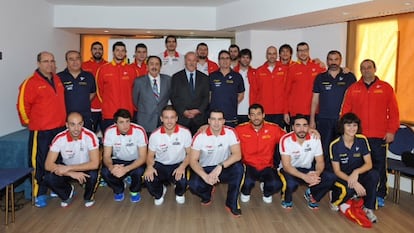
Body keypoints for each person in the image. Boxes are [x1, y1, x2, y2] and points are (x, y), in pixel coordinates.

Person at [341, 59, 399, 207]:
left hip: (378, 136)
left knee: (378, 166)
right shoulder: (353, 88)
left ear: (374, 69)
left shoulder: (386, 88)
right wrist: (346, 132)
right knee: (358, 166)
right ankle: (359, 192)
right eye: (363, 68)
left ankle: (380, 194)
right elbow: (345, 113)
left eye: (369, 67)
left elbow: (394, 113)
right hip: (358, 137)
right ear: (360, 70)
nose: (366, 70)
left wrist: (391, 131)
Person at [17, 51, 66, 208]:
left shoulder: (57, 79)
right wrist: (32, 123)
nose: (49, 64)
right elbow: (22, 106)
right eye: (46, 61)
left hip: (58, 129)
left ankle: (55, 187)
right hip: (41, 131)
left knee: (57, 161)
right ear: (38, 63)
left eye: (52, 61)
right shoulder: (30, 82)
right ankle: (39, 193)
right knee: (39, 163)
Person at [189, 109, 244, 217]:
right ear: (208, 121)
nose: (216, 123)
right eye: (213, 119)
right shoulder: (199, 136)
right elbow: (193, 160)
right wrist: (205, 177)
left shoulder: (231, 132)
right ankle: (207, 194)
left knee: (239, 168)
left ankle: (231, 203)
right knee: (193, 185)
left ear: (224, 121)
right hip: (205, 169)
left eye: (219, 119)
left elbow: (237, 155)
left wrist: (220, 166)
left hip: (223, 167)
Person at [310, 50, 356, 171]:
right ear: (327, 61)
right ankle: (325, 178)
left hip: (343, 121)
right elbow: (315, 101)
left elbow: (356, 98)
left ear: (340, 60)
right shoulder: (320, 77)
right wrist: (312, 120)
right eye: (331, 59)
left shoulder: (349, 76)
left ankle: (341, 179)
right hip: (324, 120)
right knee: (324, 150)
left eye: (336, 59)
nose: (333, 62)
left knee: (342, 151)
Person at [330, 113, 379, 223]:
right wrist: (353, 181)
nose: (352, 128)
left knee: (374, 174)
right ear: (342, 126)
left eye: (355, 125)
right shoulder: (335, 145)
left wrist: (356, 172)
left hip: (357, 174)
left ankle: (368, 208)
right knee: (348, 190)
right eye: (348, 125)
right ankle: (335, 198)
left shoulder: (362, 140)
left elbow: (369, 164)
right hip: (342, 176)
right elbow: (337, 171)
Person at [279, 115, 336, 209]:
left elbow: (320, 162)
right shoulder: (285, 139)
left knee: (330, 177)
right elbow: (286, 166)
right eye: (298, 125)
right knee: (291, 184)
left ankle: (312, 195)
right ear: (293, 127)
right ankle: (286, 199)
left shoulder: (315, 138)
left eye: (305, 125)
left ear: (308, 127)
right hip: (289, 170)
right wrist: (304, 177)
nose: (302, 129)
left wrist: (316, 173)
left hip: (308, 169)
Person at [44, 112, 100, 208]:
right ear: (67, 125)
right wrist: (70, 172)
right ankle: (67, 193)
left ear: (82, 124)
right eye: (72, 124)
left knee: (94, 175)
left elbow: (95, 164)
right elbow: (48, 165)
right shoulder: (59, 138)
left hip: (85, 167)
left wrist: (69, 168)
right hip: (67, 169)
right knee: (48, 177)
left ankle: (88, 197)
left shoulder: (90, 136)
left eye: (79, 124)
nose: (76, 128)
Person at [235, 104, 286, 205]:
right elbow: (226, 134)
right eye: (253, 115)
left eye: (258, 114)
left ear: (263, 115)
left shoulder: (274, 129)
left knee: (276, 184)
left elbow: (288, 138)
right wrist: (206, 126)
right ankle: (245, 192)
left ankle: (267, 191)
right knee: (246, 182)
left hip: (267, 166)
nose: (256, 117)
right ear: (249, 116)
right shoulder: (240, 129)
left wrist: (309, 130)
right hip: (248, 165)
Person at [144, 105, 192, 205]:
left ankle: (179, 193)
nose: (169, 121)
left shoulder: (185, 133)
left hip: (178, 164)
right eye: (166, 118)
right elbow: (150, 156)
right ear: (161, 119)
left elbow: (190, 153)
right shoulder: (154, 135)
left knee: (183, 181)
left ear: (176, 118)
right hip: (160, 164)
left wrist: (182, 167)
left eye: (172, 117)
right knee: (148, 178)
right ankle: (159, 192)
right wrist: (149, 167)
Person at [101, 109, 148, 203]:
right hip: (117, 160)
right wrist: (112, 167)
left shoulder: (139, 131)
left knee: (139, 172)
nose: (125, 125)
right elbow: (106, 156)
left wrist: (126, 169)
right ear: (115, 123)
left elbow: (143, 157)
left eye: (127, 121)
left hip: (135, 160)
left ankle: (134, 191)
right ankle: (119, 189)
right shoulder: (109, 131)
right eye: (121, 122)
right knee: (105, 172)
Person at [96, 41, 138, 133]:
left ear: (125, 53)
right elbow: (99, 90)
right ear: (113, 52)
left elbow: (135, 90)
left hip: (127, 113)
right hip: (109, 114)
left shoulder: (132, 70)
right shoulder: (103, 69)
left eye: (123, 50)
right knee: (109, 141)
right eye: (117, 50)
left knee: (127, 142)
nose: (120, 52)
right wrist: (106, 105)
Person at [284, 42, 326, 126]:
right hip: (297, 112)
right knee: (298, 138)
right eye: (300, 50)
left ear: (308, 51)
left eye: (305, 50)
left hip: (315, 111)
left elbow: (331, 73)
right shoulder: (291, 69)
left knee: (313, 137)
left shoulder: (318, 66)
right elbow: (286, 92)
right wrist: (285, 112)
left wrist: (344, 69)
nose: (303, 53)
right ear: (297, 53)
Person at [171, 52, 210, 135]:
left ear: (197, 62)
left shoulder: (204, 78)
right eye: (189, 60)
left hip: (199, 119)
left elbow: (206, 97)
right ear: (185, 61)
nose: (191, 63)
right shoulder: (176, 77)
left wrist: (198, 110)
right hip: (182, 118)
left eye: (194, 60)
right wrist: (184, 111)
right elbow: (174, 97)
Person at [132, 55, 171, 137]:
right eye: (151, 64)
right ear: (147, 66)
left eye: (157, 64)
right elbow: (135, 100)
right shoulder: (139, 81)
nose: (154, 67)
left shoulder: (168, 80)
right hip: (145, 121)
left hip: (163, 121)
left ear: (160, 66)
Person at [58, 50, 96, 130]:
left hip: (85, 119)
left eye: (77, 58)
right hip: (66, 119)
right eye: (71, 59)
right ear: (67, 61)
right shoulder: (59, 77)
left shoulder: (89, 76)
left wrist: (82, 101)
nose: (75, 62)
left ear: (81, 60)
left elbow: (93, 93)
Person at [253, 46, 287, 128]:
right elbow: (254, 92)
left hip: (280, 111)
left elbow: (287, 91)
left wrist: (286, 111)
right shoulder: (259, 71)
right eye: (269, 54)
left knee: (279, 137)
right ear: (266, 55)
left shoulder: (285, 69)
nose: (272, 56)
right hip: (264, 111)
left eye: (274, 54)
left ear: (277, 55)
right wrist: (255, 111)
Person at [209, 50, 245, 128]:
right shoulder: (212, 76)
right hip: (215, 117)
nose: (225, 61)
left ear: (230, 60)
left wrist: (231, 101)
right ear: (218, 61)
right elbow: (209, 95)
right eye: (222, 58)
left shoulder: (237, 76)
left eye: (227, 58)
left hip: (231, 116)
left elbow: (241, 95)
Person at [82, 41, 108, 133]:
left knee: (107, 135)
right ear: (91, 51)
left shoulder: (107, 66)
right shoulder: (83, 66)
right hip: (90, 108)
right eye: (95, 49)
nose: (98, 51)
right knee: (89, 135)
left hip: (105, 108)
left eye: (100, 49)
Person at [233, 48, 256, 124]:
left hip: (250, 111)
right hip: (235, 110)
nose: (245, 60)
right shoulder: (233, 72)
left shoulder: (255, 73)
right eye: (243, 57)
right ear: (239, 58)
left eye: (247, 58)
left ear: (250, 59)